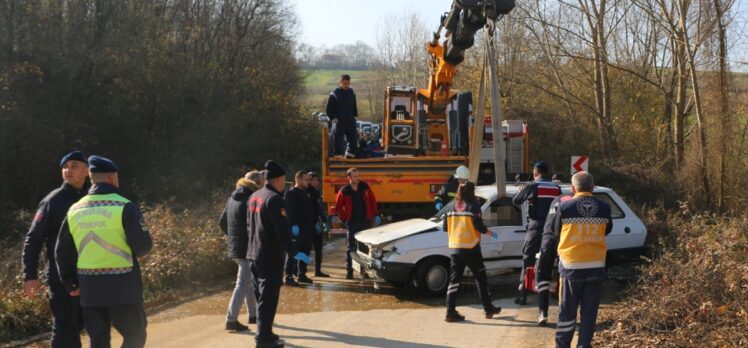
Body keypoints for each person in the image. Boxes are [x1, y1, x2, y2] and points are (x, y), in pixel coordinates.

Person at [55, 155, 153, 348]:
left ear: (92, 178)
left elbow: (61, 251)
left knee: (98, 341)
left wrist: (70, 282)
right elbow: (143, 247)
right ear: (112, 178)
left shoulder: (74, 210)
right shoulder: (125, 206)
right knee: (135, 333)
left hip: (90, 289)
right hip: (123, 287)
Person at [22, 151, 89, 348]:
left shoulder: (92, 198)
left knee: (87, 325)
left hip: (90, 274)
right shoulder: (53, 201)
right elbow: (32, 240)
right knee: (64, 330)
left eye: (75, 165)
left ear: (87, 170)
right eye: (65, 166)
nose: (68, 170)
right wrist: (30, 275)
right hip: (61, 279)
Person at [540, 171, 611, 348]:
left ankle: (563, 345)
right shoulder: (604, 207)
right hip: (596, 267)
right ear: (593, 188)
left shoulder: (564, 208)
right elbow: (607, 229)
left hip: (571, 267)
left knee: (567, 311)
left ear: (573, 188)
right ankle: (584, 345)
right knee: (589, 313)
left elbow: (555, 232)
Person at [247, 160, 310, 348]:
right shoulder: (275, 199)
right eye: (284, 179)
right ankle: (262, 339)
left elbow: (248, 226)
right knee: (269, 299)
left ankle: (266, 332)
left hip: (253, 253)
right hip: (270, 256)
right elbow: (282, 231)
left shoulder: (255, 195)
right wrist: (294, 252)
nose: (285, 183)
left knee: (261, 297)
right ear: (279, 179)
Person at [442, 182, 502, 322]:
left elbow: (445, 228)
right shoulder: (473, 206)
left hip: (455, 248)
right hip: (471, 248)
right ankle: (488, 309)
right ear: (471, 191)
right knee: (481, 279)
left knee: (454, 281)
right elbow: (479, 226)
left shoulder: (450, 206)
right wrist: (492, 234)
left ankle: (449, 312)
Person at [511, 161, 562, 324]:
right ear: (547, 173)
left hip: (536, 227)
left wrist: (523, 192)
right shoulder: (556, 188)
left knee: (528, 258)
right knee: (552, 260)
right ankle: (556, 294)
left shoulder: (532, 185)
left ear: (535, 173)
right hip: (553, 228)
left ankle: (523, 295)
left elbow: (516, 201)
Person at [218, 171, 262, 332]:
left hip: (236, 248)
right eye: (262, 183)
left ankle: (253, 315)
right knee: (242, 284)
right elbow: (256, 226)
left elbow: (222, 222)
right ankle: (231, 319)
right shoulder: (251, 199)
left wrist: (234, 237)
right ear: (256, 183)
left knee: (248, 283)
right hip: (247, 248)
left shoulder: (232, 198)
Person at [334, 168, 381, 279]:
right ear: (349, 177)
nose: (357, 178)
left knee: (365, 247)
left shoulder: (365, 187)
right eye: (355, 176)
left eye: (358, 176)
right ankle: (349, 271)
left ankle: (364, 271)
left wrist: (376, 214)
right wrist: (343, 217)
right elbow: (338, 206)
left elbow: (372, 201)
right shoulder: (344, 191)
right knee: (351, 248)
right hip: (352, 222)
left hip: (365, 221)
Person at [283, 171, 315, 285]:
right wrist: (293, 225)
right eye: (305, 180)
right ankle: (288, 276)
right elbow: (289, 211)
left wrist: (315, 223)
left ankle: (301, 274)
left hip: (308, 229)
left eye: (308, 180)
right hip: (297, 230)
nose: (308, 182)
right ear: (298, 180)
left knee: (305, 253)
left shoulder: (306, 192)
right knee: (293, 253)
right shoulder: (291, 193)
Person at [325, 74, 359, 158]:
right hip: (339, 123)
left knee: (354, 143)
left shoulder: (352, 92)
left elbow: (354, 105)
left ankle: (349, 160)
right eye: (344, 83)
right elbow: (328, 109)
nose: (346, 85)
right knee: (339, 145)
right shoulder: (334, 94)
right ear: (340, 82)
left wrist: (355, 115)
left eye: (348, 83)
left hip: (350, 121)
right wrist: (333, 118)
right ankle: (338, 162)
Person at [307, 172, 329, 278]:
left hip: (317, 224)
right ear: (309, 180)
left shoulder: (317, 193)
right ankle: (300, 271)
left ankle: (318, 270)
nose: (316, 182)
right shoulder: (305, 192)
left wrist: (324, 221)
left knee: (318, 249)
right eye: (313, 180)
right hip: (307, 225)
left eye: (317, 180)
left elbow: (319, 209)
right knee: (305, 250)